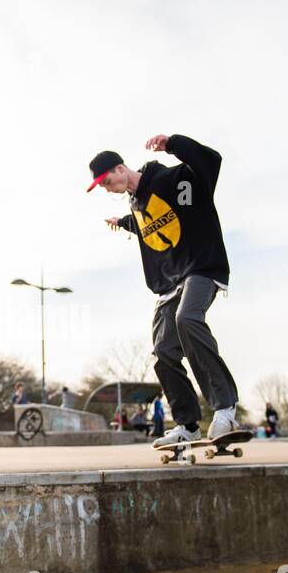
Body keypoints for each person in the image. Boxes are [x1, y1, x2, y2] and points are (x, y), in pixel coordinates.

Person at [90, 133, 241, 448]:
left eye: (106, 180)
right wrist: (124, 222)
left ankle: (225, 408)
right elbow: (152, 224)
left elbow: (211, 161)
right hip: (171, 283)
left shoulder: (173, 179)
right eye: (101, 186)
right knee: (163, 351)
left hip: (201, 268)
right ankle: (187, 424)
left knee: (188, 319)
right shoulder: (137, 204)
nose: (106, 187)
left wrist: (173, 143)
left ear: (120, 168)